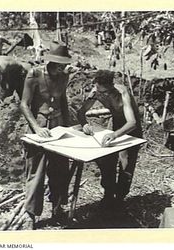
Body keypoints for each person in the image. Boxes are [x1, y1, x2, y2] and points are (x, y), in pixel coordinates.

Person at [20, 42, 73, 229]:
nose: (62, 68)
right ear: (50, 62)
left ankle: (58, 207)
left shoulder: (63, 77)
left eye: (63, 65)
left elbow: (63, 100)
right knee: (36, 171)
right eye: (59, 64)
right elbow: (24, 104)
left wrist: (69, 126)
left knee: (60, 169)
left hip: (58, 126)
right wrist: (35, 127)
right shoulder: (34, 75)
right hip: (40, 126)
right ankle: (31, 214)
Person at [77, 70, 142, 208]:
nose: (103, 95)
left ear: (111, 86)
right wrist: (84, 125)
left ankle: (120, 198)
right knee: (107, 160)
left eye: (106, 92)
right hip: (116, 125)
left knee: (126, 164)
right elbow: (81, 112)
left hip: (131, 129)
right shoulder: (96, 91)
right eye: (101, 91)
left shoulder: (122, 93)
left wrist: (115, 135)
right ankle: (108, 194)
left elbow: (132, 123)